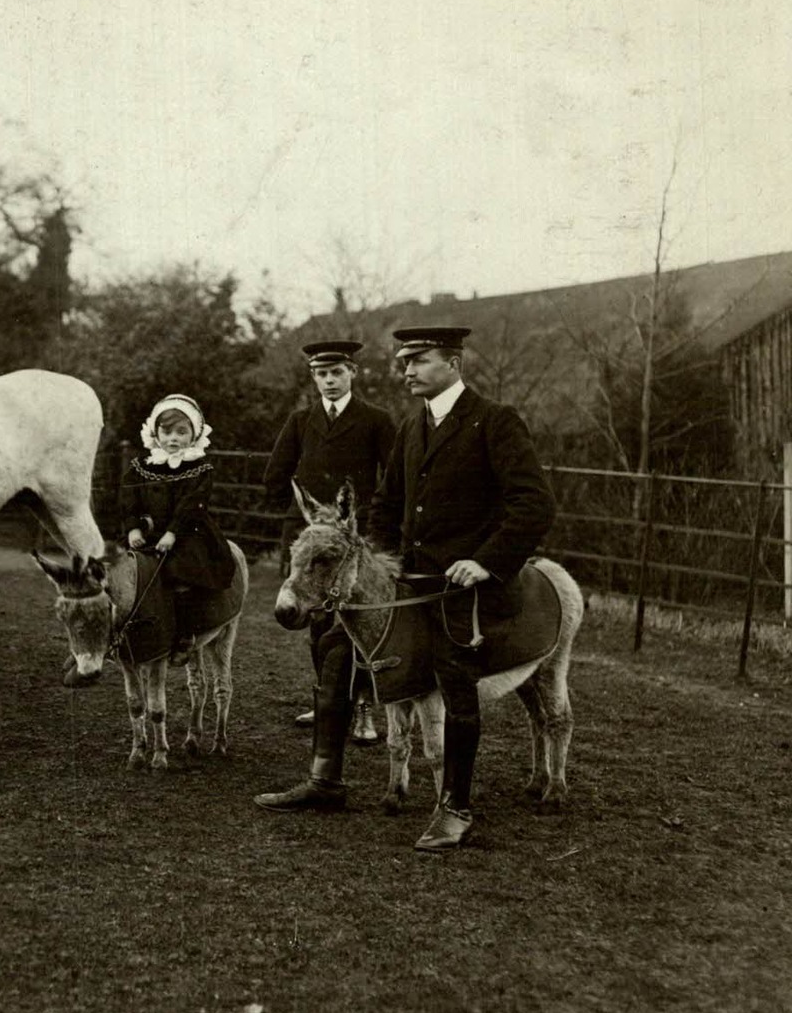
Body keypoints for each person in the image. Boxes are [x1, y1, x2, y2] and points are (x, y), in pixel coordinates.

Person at [255, 326, 556, 854]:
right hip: (406, 583)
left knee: (455, 685)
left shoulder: (496, 422)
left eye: (419, 360)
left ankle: (456, 808)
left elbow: (533, 505)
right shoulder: (413, 427)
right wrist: (370, 564)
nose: (407, 370)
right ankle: (326, 781)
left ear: (454, 363)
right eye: (403, 362)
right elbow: (388, 504)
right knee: (336, 655)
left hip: (458, 588)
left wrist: (484, 561)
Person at [263, 340, 396, 732]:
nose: (329, 381)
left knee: (358, 621)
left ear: (353, 372)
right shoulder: (301, 421)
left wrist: (367, 521)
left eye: (337, 372)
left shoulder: (376, 420)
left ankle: (362, 709)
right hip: (310, 536)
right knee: (318, 620)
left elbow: (393, 479)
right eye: (322, 374)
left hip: (357, 538)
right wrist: (301, 517)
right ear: (313, 378)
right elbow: (276, 475)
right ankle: (324, 700)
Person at [119, 394, 237, 665]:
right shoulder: (141, 467)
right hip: (147, 534)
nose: (173, 438)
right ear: (155, 432)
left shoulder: (199, 469)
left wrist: (173, 533)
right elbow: (129, 501)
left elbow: (191, 506)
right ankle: (125, 633)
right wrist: (133, 529)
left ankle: (184, 636)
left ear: (194, 435)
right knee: (127, 576)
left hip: (187, 534)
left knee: (182, 576)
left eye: (181, 432)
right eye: (166, 431)